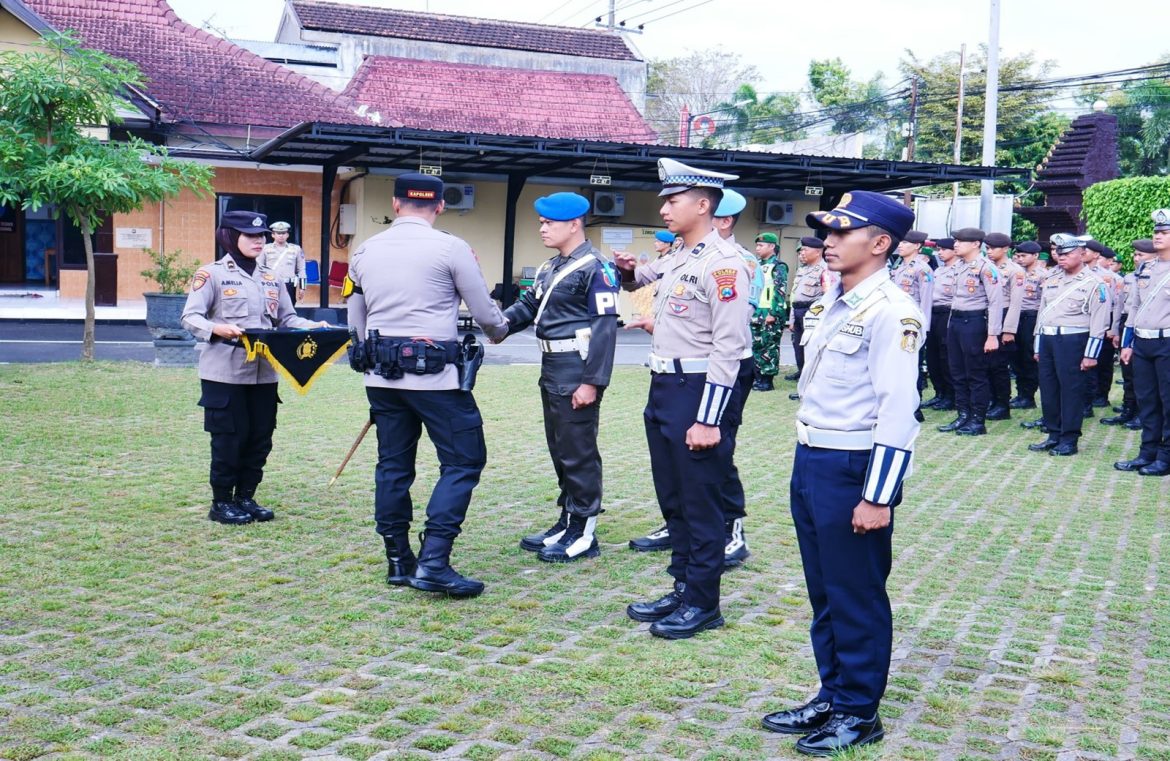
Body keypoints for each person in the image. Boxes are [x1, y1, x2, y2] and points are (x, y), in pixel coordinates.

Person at [760, 190, 922, 755]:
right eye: (825, 231)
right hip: (813, 459)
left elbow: (900, 410)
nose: (827, 241)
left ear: (880, 244)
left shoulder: (892, 311)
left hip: (854, 466)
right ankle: (832, 693)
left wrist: (878, 497)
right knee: (825, 590)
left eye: (841, 233)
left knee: (856, 593)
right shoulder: (836, 300)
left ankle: (859, 712)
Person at [346, 173, 510, 598]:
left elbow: (354, 319)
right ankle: (434, 561)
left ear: (396, 204)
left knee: (393, 466)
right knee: (463, 462)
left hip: (381, 378)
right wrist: (500, 330)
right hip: (437, 379)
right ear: (439, 206)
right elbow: (484, 311)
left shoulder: (364, 250)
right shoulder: (451, 248)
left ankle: (399, 561)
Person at [616, 157, 751, 640]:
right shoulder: (680, 255)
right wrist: (628, 271)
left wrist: (709, 418)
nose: (665, 209)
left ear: (702, 204)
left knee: (701, 501)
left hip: (698, 391)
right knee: (673, 496)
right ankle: (681, 586)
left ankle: (703, 601)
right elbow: (638, 283)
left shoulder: (724, 265)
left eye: (673, 201)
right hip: (665, 386)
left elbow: (730, 348)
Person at [182, 211, 327, 525]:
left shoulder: (270, 276)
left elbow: (287, 320)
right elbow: (190, 317)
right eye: (250, 235)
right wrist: (217, 328)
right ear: (230, 237)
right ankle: (221, 502)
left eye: (261, 236)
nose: (258, 241)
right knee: (228, 438)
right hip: (225, 371)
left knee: (260, 436)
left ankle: (246, 496)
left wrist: (313, 326)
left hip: (264, 372)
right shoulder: (212, 274)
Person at [500, 192, 619, 563]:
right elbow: (529, 306)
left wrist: (592, 382)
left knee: (579, 451)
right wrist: (498, 323)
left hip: (576, 368)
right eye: (541, 222)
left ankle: (584, 531)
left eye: (549, 223)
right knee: (560, 448)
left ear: (574, 224)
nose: (542, 228)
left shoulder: (596, 267)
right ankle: (567, 517)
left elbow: (604, 329)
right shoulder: (552, 266)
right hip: (551, 366)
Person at [1027, 234, 1109, 457]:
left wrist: (1091, 355)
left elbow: (1099, 323)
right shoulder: (1053, 279)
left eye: (1068, 254)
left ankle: (1069, 438)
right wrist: (1037, 345)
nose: (1061, 258)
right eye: (1059, 254)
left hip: (1074, 341)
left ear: (1082, 254)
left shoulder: (1095, 283)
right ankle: (1053, 434)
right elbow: (1042, 315)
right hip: (1048, 340)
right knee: (1049, 389)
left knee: (1071, 392)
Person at [1115, 211, 1170, 476]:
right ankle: (1147, 452)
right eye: (1156, 232)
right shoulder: (1145, 269)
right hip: (1143, 343)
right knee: (1147, 400)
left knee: (1168, 401)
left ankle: (1166, 456)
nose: (1158, 236)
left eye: (1164, 233)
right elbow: (1134, 307)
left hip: (1168, 343)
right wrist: (1128, 343)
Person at [939, 228, 1003, 436]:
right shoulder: (959, 266)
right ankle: (963, 415)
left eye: (961, 241)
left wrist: (993, 335)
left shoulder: (986, 268)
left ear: (975, 244)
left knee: (975, 373)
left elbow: (995, 302)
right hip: (956, 321)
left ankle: (978, 420)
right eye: (955, 241)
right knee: (957, 372)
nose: (955, 244)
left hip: (974, 322)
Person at [1103, 239, 1155, 427]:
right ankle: (1128, 408)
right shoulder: (1129, 278)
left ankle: (1142, 413)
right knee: (1128, 371)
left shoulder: (1157, 276)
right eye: (1135, 254)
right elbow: (1120, 305)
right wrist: (1116, 329)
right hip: (1127, 323)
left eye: (1141, 255)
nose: (1136, 258)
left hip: (1147, 326)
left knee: (1142, 374)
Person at [983, 233, 1025, 420]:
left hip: (1005, 316)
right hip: (987, 317)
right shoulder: (985, 266)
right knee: (986, 365)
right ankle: (992, 399)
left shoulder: (1015, 271)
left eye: (993, 248)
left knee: (999, 366)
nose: (989, 251)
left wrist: (1008, 330)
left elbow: (1016, 302)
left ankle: (1002, 404)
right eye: (988, 248)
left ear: (1006, 249)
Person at [786, 236, 834, 392]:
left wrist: (818, 317)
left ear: (818, 252)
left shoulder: (826, 270)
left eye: (805, 249)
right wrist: (792, 318)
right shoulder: (802, 269)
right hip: (798, 311)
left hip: (812, 312)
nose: (802, 253)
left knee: (811, 349)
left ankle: (810, 383)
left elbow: (827, 296)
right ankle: (802, 377)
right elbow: (795, 295)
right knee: (798, 347)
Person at [1083, 240, 1121, 410]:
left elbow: (1115, 304)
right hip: (1082, 323)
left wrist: (1112, 328)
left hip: (1102, 322)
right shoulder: (1075, 273)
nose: (1082, 252)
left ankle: (1099, 396)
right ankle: (1085, 399)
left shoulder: (1107, 276)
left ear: (1096, 255)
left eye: (1086, 250)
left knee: (1102, 362)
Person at [1008, 241, 1046, 410]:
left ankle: (1028, 395)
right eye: (1018, 256)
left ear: (1036, 256)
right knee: (1015, 357)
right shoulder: (1015, 273)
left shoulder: (1043, 275)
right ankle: (1020, 393)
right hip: (1014, 316)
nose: (1020, 259)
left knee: (1028, 357)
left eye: (1024, 256)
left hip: (1031, 317)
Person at [750, 230, 789, 391]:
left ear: (772, 246)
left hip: (770, 312)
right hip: (757, 311)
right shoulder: (758, 265)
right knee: (756, 345)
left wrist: (774, 313)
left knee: (769, 346)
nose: (757, 248)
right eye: (757, 245)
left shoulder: (778, 266)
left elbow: (780, 290)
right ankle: (758, 377)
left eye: (761, 245)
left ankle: (767, 380)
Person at [923, 237, 958, 410]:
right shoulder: (938, 271)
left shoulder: (959, 270)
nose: (940, 253)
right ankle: (940, 393)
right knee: (933, 355)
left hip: (948, 313)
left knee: (946, 356)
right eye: (939, 250)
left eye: (944, 249)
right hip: (933, 313)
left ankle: (951, 395)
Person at [260, 221, 306, 304]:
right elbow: (259, 268)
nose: (281, 235)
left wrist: (302, 287)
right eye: (278, 233)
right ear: (273, 235)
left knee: (288, 310)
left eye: (284, 233)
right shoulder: (265, 249)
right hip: (270, 284)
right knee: (271, 310)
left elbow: (301, 269)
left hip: (289, 285)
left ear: (287, 235)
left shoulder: (296, 249)